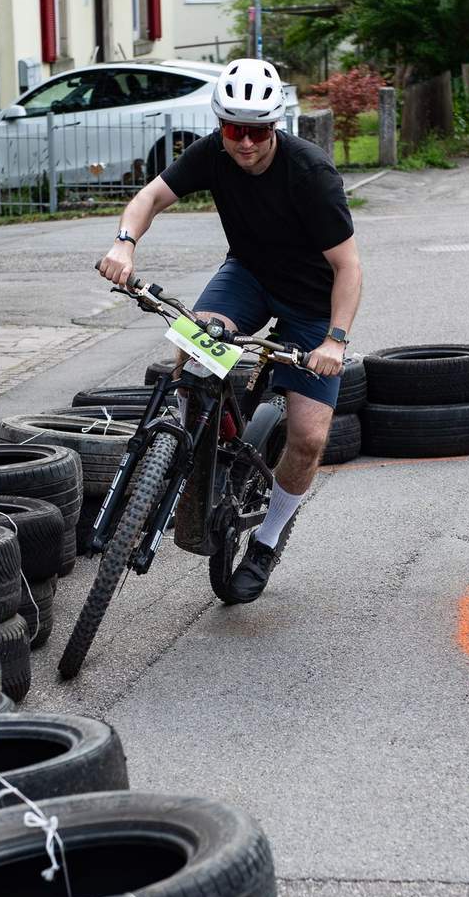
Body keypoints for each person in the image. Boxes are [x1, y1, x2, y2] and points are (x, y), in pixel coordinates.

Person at [97, 58, 363, 602]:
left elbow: (348, 268)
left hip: (311, 301)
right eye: (234, 129)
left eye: (258, 131)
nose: (245, 143)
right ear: (221, 125)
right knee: (193, 346)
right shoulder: (212, 154)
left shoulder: (310, 173)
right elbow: (150, 198)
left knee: (309, 437)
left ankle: (266, 540)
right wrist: (124, 243)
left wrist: (334, 340)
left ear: (275, 126)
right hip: (248, 278)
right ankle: (189, 449)